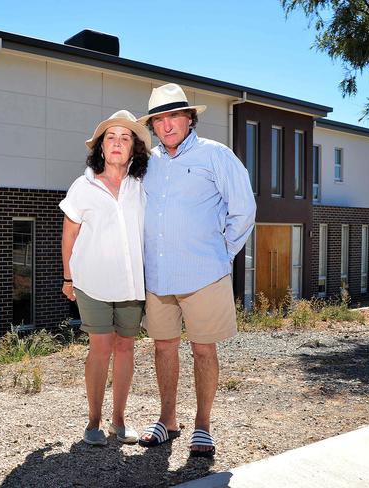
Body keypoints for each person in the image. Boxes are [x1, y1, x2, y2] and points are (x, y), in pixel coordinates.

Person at [137, 83, 256, 457]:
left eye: (174, 116)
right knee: (163, 347)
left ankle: (202, 425)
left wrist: (223, 254)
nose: (167, 125)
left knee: (204, 350)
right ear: (153, 125)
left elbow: (244, 208)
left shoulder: (215, 155)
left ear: (190, 118)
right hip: (159, 277)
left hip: (205, 275)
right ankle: (167, 420)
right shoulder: (149, 163)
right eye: (159, 119)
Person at [59, 110, 151, 446]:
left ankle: (119, 420)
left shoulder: (142, 186)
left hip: (132, 283)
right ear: (100, 147)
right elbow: (69, 235)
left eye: (125, 138)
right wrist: (68, 278)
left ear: (133, 150)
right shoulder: (82, 186)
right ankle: (93, 422)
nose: (117, 143)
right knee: (101, 348)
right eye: (111, 137)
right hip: (92, 283)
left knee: (125, 348)